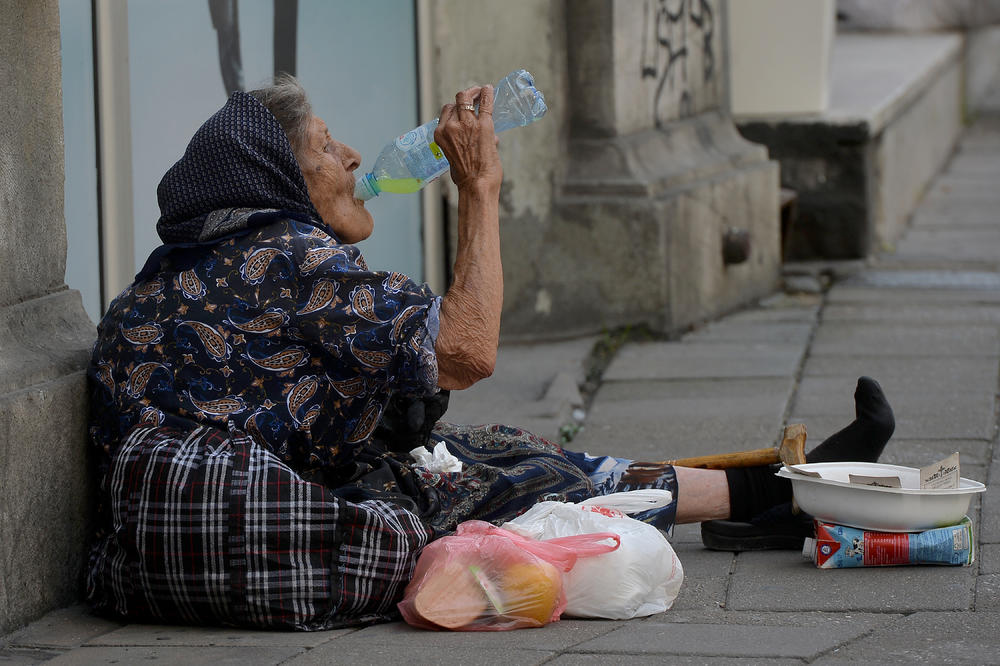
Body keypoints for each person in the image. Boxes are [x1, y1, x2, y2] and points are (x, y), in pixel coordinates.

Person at [85, 75, 895, 631]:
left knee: (476, 453)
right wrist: (479, 189)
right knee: (503, 468)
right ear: (278, 176)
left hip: (160, 536)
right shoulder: (292, 256)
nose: (355, 159)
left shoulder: (174, 270)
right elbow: (468, 350)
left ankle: (771, 493)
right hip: (269, 524)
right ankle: (774, 497)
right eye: (327, 147)